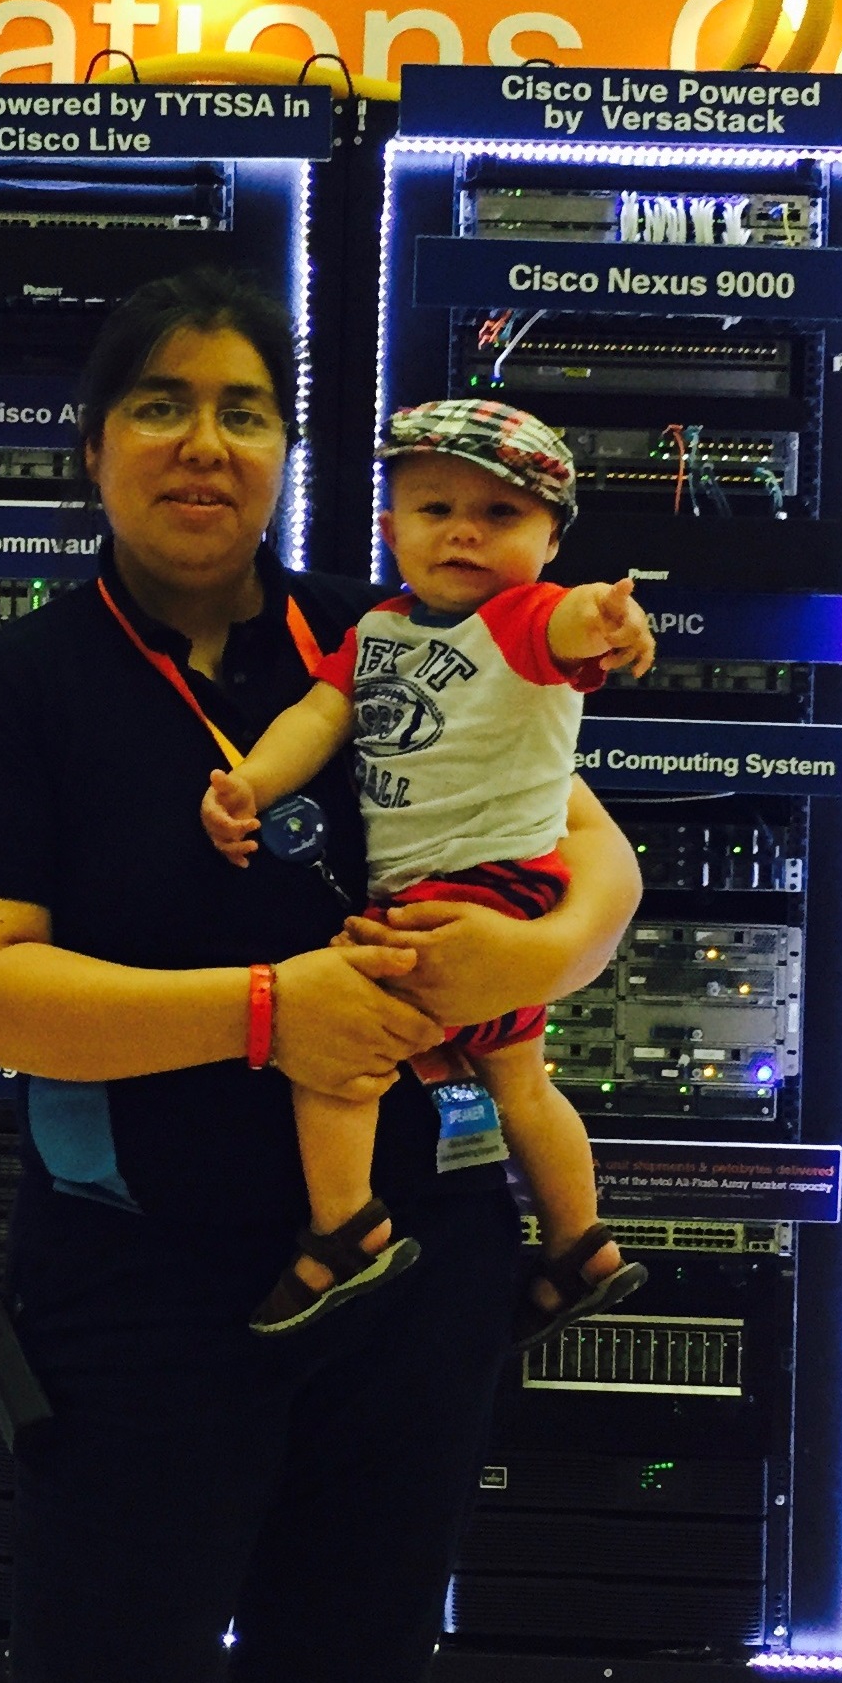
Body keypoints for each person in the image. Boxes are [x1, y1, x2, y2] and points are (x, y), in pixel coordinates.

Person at [0, 267, 642, 1683]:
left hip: (413, 1267)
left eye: (244, 411)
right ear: (92, 445)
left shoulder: (386, 623)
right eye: (159, 405)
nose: (204, 444)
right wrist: (266, 1014)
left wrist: (532, 950)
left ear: (285, 454)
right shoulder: (16, 691)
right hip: (141, 1282)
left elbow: (592, 855)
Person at [199, 399, 653, 1343]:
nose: (464, 533)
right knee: (519, 1085)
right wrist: (247, 784)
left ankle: (346, 1229)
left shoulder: (524, 616)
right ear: (389, 527)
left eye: (501, 516)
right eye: (436, 509)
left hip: (480, 885)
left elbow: (574, 627)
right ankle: (580, 1244)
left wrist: (610, 619)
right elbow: (316, 722)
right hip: (456, 894)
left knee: (336, 1052)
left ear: (550, 540)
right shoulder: (376, 630)